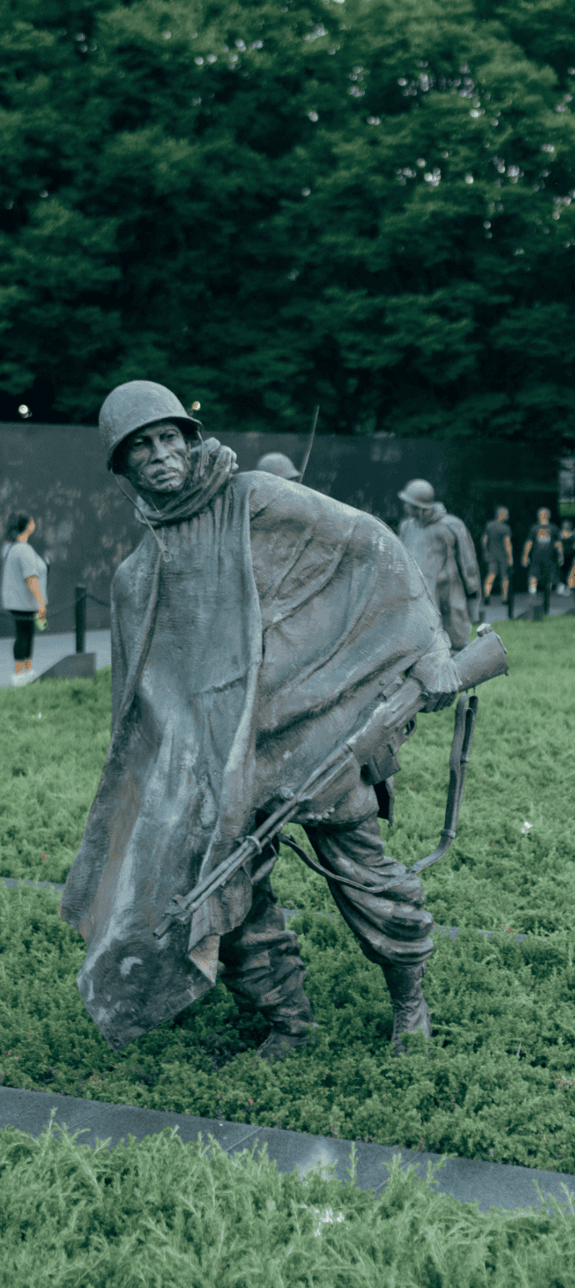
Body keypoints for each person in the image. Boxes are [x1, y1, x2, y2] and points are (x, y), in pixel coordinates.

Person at [60, 381, 462, 1058]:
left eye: (169, 439)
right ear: (122, 466)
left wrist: (428, 650)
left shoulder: (251, 498)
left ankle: (410, 1005)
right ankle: (288, 1022)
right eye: (141, 448)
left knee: (365, 879)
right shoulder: (137, 577)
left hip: (316, 737)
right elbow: (140, 707)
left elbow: (367, 544)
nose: (160, 457)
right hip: (223, 764)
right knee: (231, 897)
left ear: (189, 442)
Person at [397, 480, 481, 651]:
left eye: (409, 503)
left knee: (453, 644)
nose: (405, 506)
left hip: (448, 592)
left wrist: (473, 595)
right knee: (419, 645)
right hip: (417, 595)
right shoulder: (406, 527)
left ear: (420, 506)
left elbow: (468, 563)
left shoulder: (451, 525)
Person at [2, 513, 47, 687]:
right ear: (27, 526)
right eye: (32, 521)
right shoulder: (23, 549)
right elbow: (31, 578)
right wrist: (40, 603)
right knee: (23, 635)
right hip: (25, 602)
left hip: (18, 601)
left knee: (26, 635)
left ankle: (26, 671)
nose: (34, 523)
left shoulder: (12, 548)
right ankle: (20, 674)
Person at [521, 508, 563, 613]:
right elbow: (529, 543)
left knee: (548, 580)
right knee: (533, 577)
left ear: (548, 515)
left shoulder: (553, 528)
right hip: (536, 558)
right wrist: (525, 555)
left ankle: (546, 601)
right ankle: (532, 597)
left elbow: (558, 543)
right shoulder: (534, 528)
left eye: (544, 514)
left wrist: (561, 555)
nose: (542, 515)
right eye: (540, 514)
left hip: (550, 558)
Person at [481, 505, 513, 605]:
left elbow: (484, 539)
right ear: (501, 514)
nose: (508, 516)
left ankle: (486, 596)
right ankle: (504, 598)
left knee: (491, 575)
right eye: (506, 514)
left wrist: (485, 551)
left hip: (492, 555)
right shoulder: (505, 528)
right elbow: (507, 543)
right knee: (504, 577)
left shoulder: (489, 525)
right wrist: (510, 557)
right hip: (503, 556)